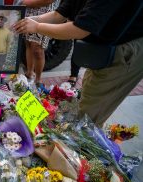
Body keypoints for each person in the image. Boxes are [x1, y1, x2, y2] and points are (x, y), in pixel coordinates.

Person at [13, 0, 143, 127]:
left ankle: (84, 142)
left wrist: (37, 27)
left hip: (124, 49)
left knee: (88, 115)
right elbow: (59, 15)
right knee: (88, 94)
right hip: (104, 47)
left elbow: (80, 29)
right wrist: (26, 21)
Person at [21, 0, 60, 85]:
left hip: (45, 13)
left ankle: (38, 80)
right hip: (28, 11)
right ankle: (29, 73)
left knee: (37, 49)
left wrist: (23, 2)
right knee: (28, 44)